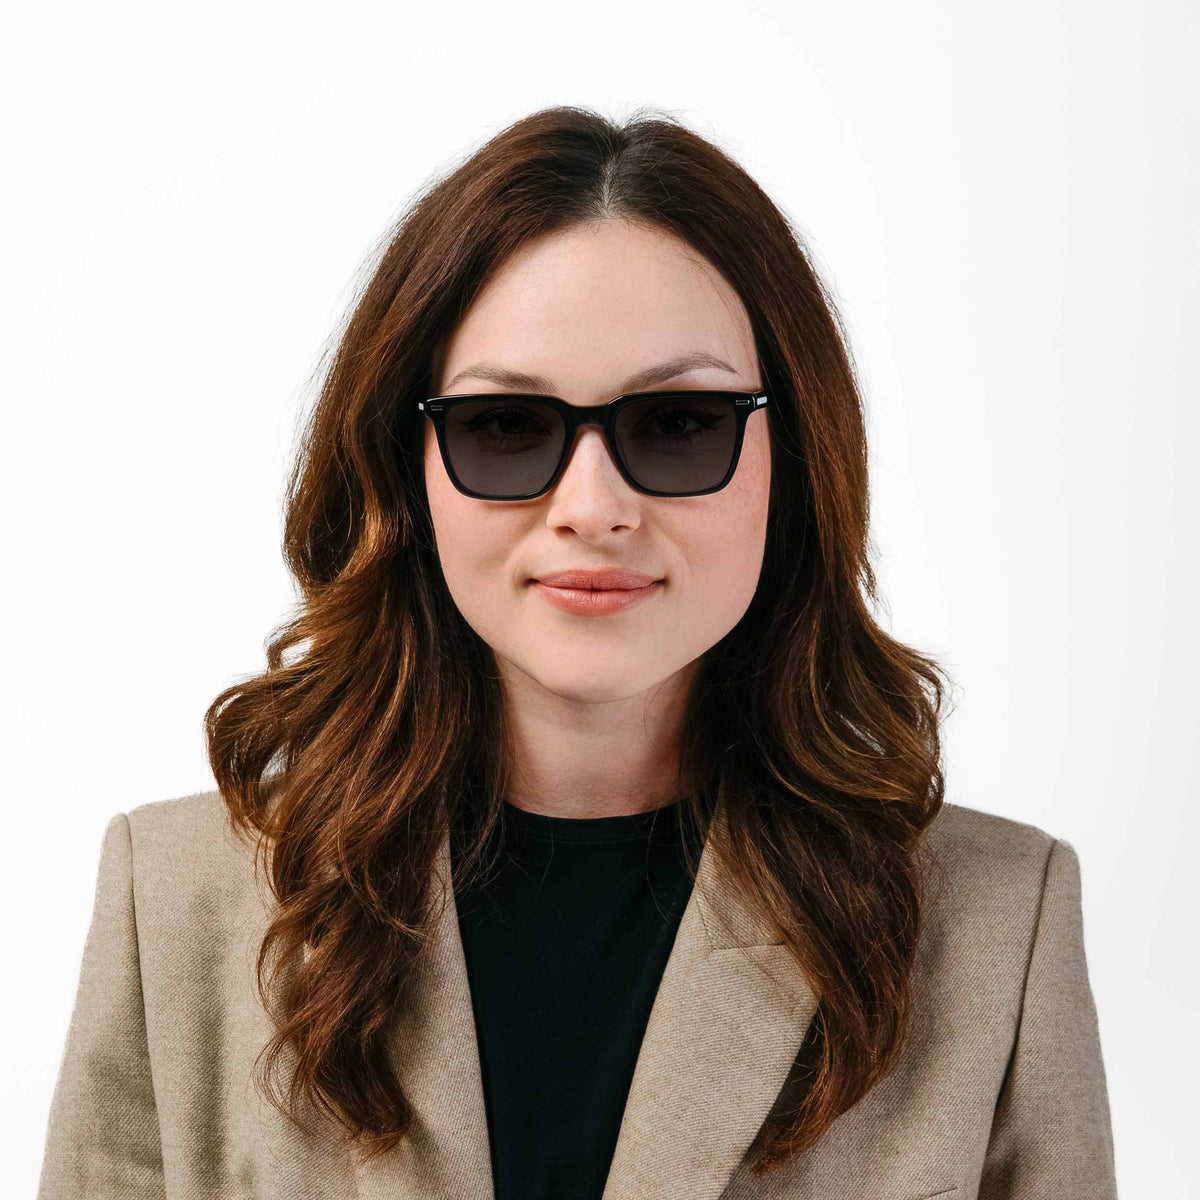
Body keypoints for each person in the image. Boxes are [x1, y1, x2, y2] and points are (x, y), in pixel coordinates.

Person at [36, 105, 1118, 1200]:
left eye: (679, 424)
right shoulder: (175, 902)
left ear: (794, 461)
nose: (592, 507)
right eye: (507, 428)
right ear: (404, 472)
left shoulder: (997, 925)